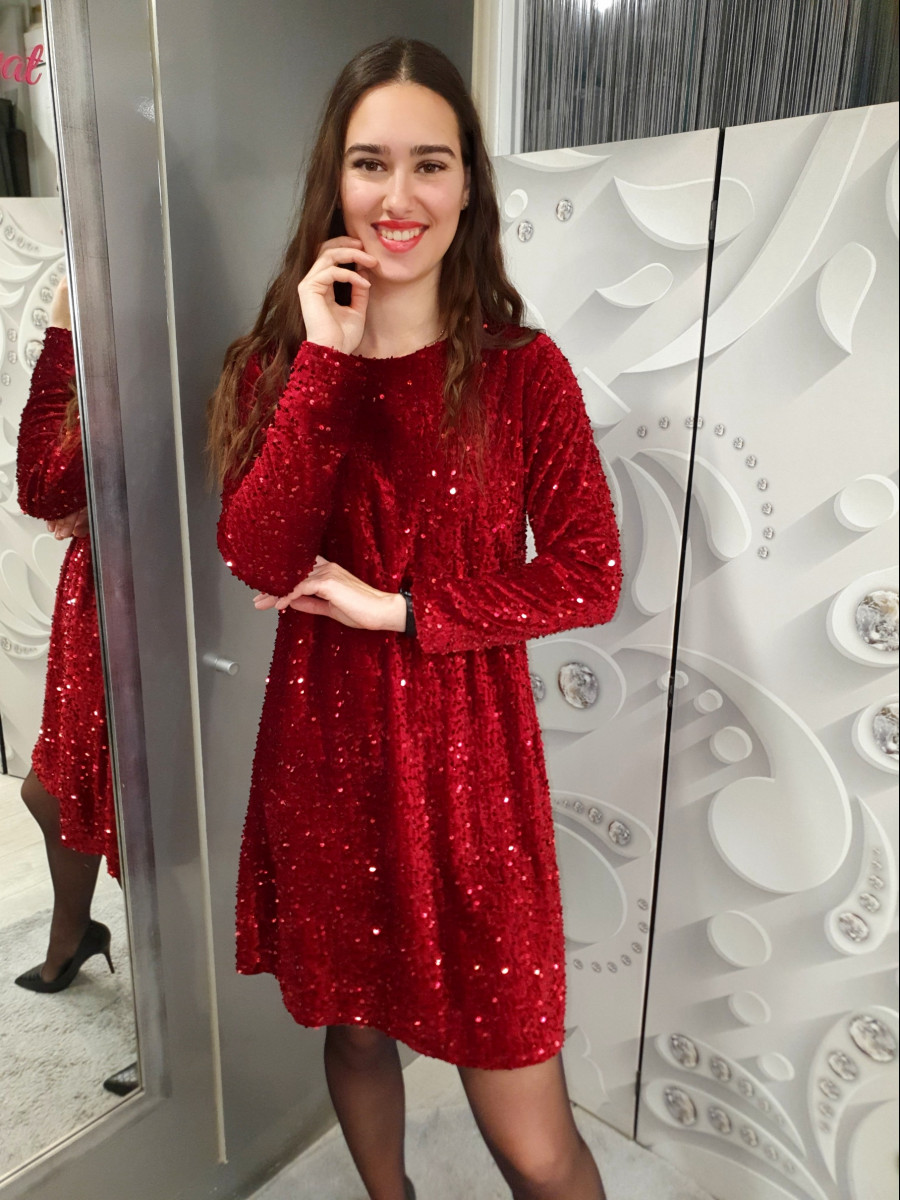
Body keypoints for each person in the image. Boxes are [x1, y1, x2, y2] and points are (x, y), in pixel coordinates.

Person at [208, 38, 621, 1200]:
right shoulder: (279, 367)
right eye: (370, 163)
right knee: (354, 1032)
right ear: (333, 183)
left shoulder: (522, 370)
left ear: (469, 184)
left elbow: (587, 574)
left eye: (429, 164)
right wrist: (327, 365)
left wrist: (398, 608)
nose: (399, 197)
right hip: (327, 760)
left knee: (536, 1141)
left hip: (473, 776)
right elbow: (257, 555)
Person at [14, 278, 118, 993]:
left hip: (134, 606)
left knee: (131, 813)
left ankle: (186, 1024)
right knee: (52, 789)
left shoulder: (145, 355)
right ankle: (74, 931)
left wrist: (62, 332)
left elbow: (42, 486)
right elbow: (56, 488)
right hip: (97, 599)